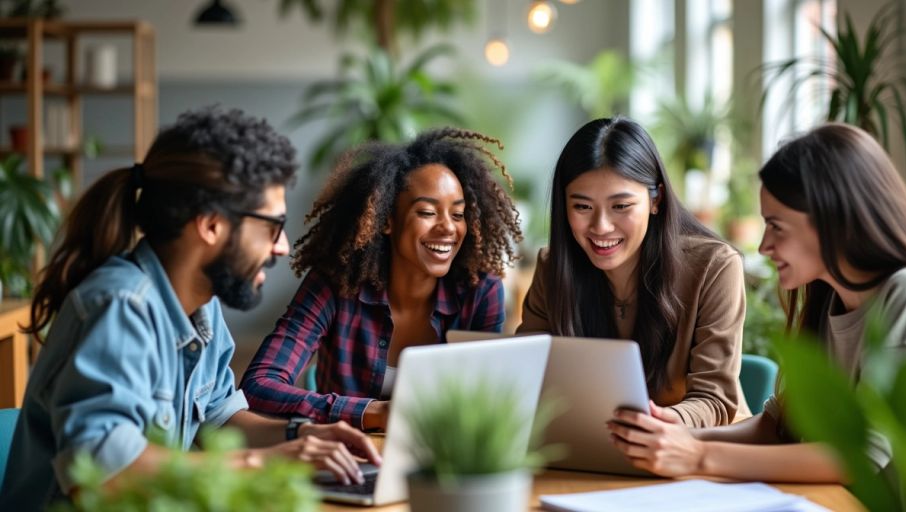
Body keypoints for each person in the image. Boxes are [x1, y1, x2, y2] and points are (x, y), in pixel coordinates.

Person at [606, 123, 906, 509]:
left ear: (833, 220)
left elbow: (857, 456)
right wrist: (674, 439)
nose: (765, 246)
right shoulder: (829, 300)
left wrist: (697, 455)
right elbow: (775, 427)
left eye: (777, 226)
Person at [0, 107, 381, 511]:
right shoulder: (120, 307)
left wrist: (301, 435)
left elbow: (220, 417)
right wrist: (264, 462)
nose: (283, 246)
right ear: (211, 225)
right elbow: (104, 472)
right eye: (271, 226)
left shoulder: (202, 308)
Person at [241, 128, 522, 431]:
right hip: (346, 459)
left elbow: (489, 399)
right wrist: (372, 413)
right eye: (427, 212)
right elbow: (258, 385)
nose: (448, 228)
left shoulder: (480, 292)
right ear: (387, 220)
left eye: (457, 214)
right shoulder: (336, 283)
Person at [517, 117, 748, 427]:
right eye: (582, 207)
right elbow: (528, 377)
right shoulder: (554, 269)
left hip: (693, 451)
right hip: (592, 452)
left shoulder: (714, 268)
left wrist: (654, 425)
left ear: (656, 200)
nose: (601, 226)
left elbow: (716, 400)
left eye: (621, 206)